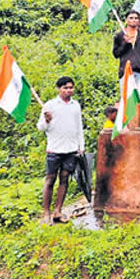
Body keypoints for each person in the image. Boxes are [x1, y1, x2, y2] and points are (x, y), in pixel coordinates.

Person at [36, 76, 84, 225]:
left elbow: (79, 127)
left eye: (71, 87)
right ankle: (46, 213)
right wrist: (46, 120)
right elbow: (40, 127)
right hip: (54, 149)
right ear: (59, 89)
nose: (69, 90)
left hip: (70, 148)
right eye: (66, 88)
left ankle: (58, 211)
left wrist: (81, 146)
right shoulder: (50, 105)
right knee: (50, 180)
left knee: (64, 180)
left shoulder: (75, 105)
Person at [112, 10, 140, 115]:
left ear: (139, 21)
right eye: (131, 18)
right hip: (125, 71)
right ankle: (127, 125)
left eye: (136, 18)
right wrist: (125, 43)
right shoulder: (120, 35)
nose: (134, 20)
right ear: (126, 20)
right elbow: (116, 54)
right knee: (126, 97)